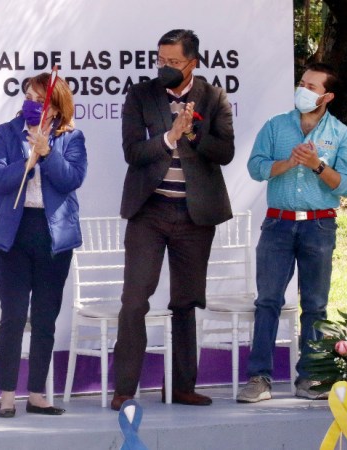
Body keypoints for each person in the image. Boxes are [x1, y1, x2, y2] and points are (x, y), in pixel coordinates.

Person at [111, 29, 235, 411]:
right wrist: (169, 136)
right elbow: (133, 152)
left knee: (186, 301)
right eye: (160, 60)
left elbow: (225, 152)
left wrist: (192, 134)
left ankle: (181, 386)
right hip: (149, 211)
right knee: (135, 300)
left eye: (174, 62)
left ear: (192, 62)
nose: (165, 67)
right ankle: (125, 389)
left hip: (195, 215)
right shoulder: (140, 95)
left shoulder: (214, 97)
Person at [237, 63, 347, 403]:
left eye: (311, 86)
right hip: (278, 224)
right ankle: (259, 379)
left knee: (316, 305)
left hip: (319, 226)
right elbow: (256, 167)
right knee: (268, 301)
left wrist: (317, 165)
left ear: (327, 96)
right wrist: (289, 163)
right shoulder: (276, 126)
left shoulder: (341, 134)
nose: (302, 89)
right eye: (302, 83)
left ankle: (311, 377)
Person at [0, 72, 87, 418]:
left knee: (45, 317)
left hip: (53, 236)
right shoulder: (7, 132)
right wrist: (25, 164)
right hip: (12, 234)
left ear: (55, 106)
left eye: (40, 100)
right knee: (13, 315)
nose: (32, 104)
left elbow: (72, 178)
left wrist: (47, 153)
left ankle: (38, 394)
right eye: (28, 97)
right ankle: (7, 395)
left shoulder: (71, 137)